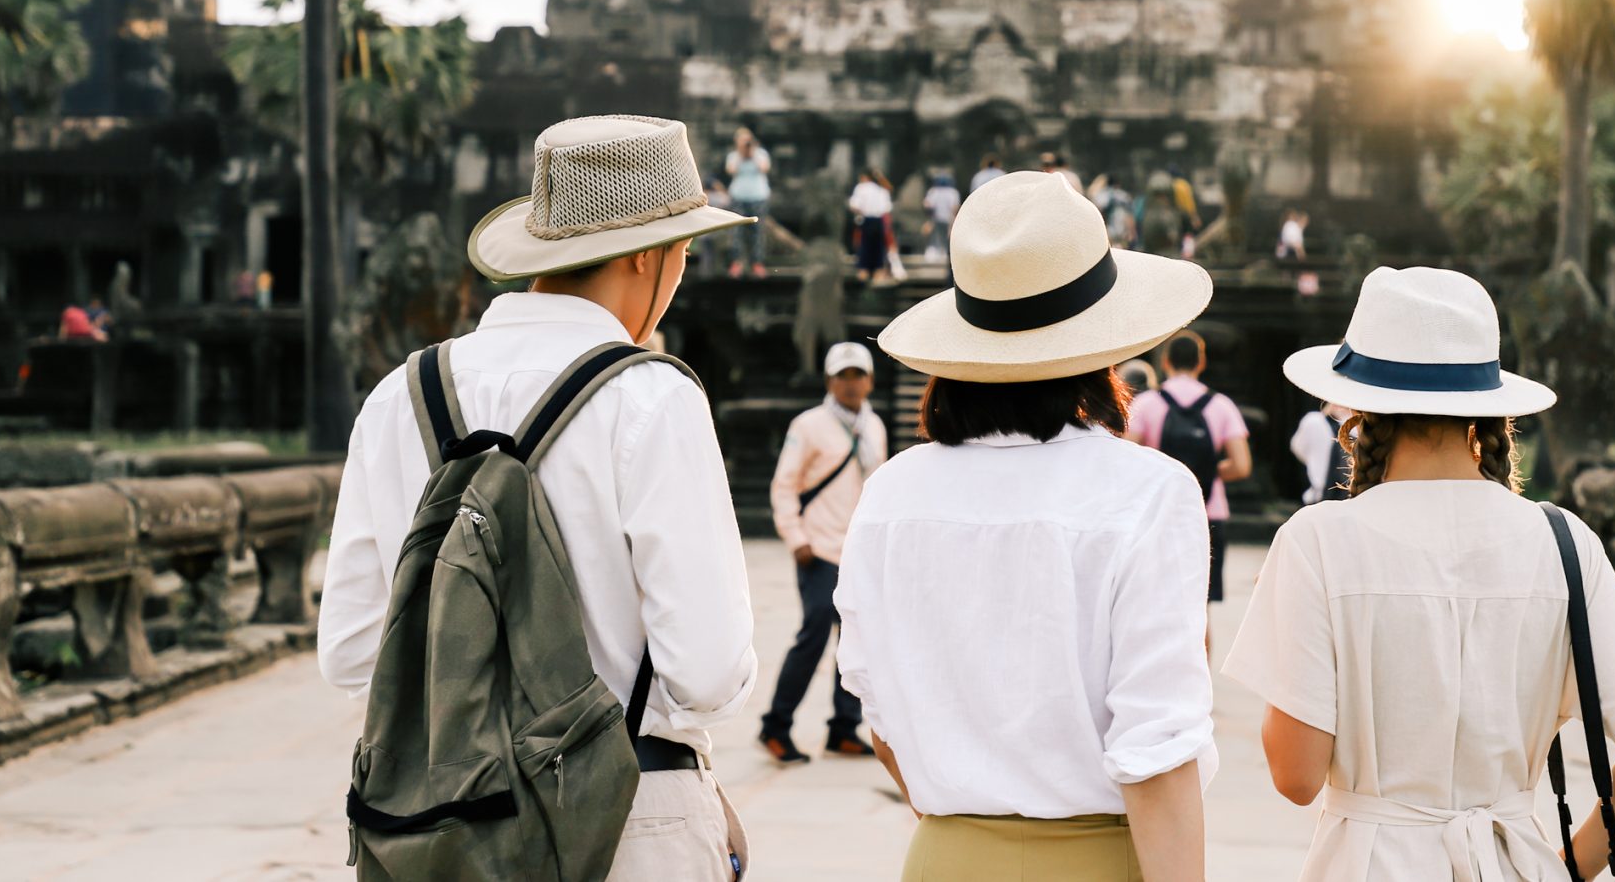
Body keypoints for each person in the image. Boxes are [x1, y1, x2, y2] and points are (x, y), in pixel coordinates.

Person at [320, 114, 761, 880]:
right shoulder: (651, 398)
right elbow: (708, 670)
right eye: (684, 251)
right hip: (632, 816)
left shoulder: (401, 396)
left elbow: (353, 652)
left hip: (442, 827)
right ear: (650, 255)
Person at [1224, 266, 1615, 881]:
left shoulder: (1317, 542)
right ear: (1487, 407)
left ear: (1359, 408)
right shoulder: (1565, 541)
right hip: (1514, 862)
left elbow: (1296, 776)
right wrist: (1564, 870)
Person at [838, 171, 1218, 882]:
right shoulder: (1147, 491)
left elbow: (879, 713)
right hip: (1100, 857)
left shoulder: (890, 493)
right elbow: (1156, 753)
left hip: (946, 855)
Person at [760, 341, 888, 765]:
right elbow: (784, 485)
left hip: (856, 552)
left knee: (855, 642)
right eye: (843, 376)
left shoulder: (873, 427)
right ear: (830, 381)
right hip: (817, 549)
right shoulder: (809, 425)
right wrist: (795, 538)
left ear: (869, 380)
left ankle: (843, 729)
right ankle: (775, 727)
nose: (851, 384)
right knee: (813, 637)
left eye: (858, 375)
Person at [1125, 330, 1253, 652]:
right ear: (1202, 363)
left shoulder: (1146, 403)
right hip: (1209, 515)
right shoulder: (1221, 405)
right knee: (1200, 609)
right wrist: (1206, 472)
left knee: (1151, 603)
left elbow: (1126, 457)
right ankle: (1200, 693)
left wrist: (1169, 476)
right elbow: (1241, 465)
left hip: (1157, 514)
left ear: (1165, 362)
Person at [725, 126, 772, 279]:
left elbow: (764, 168)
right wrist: (741, 153)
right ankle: (736, 262)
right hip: (739, 196)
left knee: (757, 231)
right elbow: (731, 170)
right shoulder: (733, 156)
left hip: (758, 196)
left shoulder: (761, 154)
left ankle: (757, 263)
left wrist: (752, 153)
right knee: (736, 231)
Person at [1287, 402, 1354, 505]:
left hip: (1340, 500)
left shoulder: (1315, 421)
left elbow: (1298, 449)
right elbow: (1297, 448)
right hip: (1323, 499)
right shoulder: (1314, 421)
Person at [849, 168, 894, 282]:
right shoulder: (882, 190)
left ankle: (863, 272)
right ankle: (878, 273)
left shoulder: (861, 188)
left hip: (866, 220)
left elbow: (854, 205)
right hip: (879, 221)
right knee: (878, 248)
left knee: (865, 246)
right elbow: (887, 208)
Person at [922, 171, 961, 264]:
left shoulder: (933, 191)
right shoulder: (953, 192)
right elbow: (955, 207)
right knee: (946, 238)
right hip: (948, 218)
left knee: (935, 238)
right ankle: (943, 254)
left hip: (936, 218)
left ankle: (933, 255)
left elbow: (927, 204)